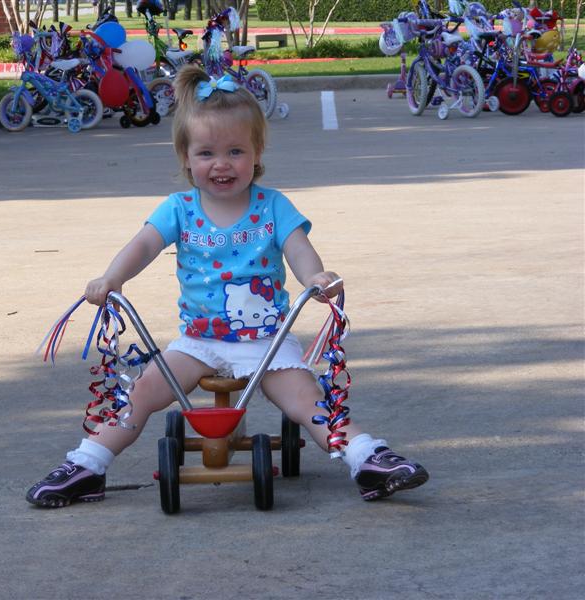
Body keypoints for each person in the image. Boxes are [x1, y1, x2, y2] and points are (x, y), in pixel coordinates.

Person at [26, 66, 429, 508]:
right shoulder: (178, 209)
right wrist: (111, 277)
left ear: (257, 154)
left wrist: (315, 276)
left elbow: (297, 249)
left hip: (265, 342)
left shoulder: (272, 205)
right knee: (139, 393)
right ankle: (87, 465)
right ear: (185, 158)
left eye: (236, 151)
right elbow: (142, 245)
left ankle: (367, 458)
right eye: (206, 153)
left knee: (308, 402)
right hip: (197, 341)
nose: (221, 164)